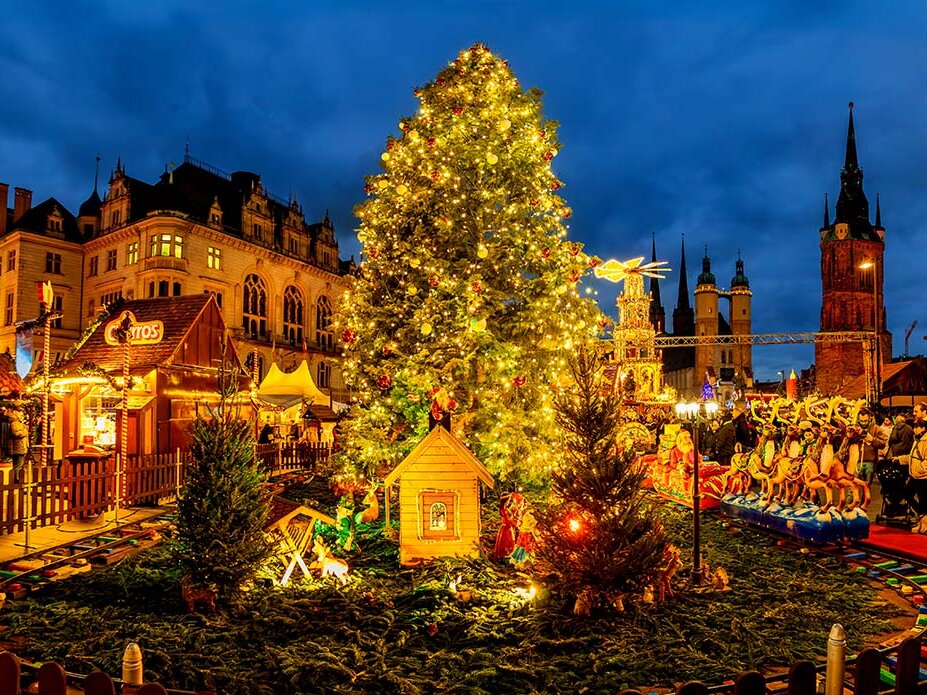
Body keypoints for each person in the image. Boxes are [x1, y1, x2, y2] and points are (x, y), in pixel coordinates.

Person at [894, 420, 927, 533]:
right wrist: (900, 459)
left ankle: (923, 521)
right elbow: (912, 456)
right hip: (915, 475)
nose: (914, 430)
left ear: (923, 428)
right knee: (907, 494)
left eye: (917, 427)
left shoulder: (925, 440)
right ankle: (923, 517)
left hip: (922, 476)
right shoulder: (917, 440)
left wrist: (920, 470)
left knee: (923, 499)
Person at [854, 408, 886, 484]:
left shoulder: (875, 428)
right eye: (861, 421)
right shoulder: (854, 428)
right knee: (854, 486)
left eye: (865, 421)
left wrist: (872, 440)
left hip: (870, 461)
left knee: (866, 486)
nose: (863, 423)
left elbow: (882, 444)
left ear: (869, 418)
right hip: (856, 460)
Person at [9, 410, 29, 484]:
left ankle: (17, 477)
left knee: (19, 464)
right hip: (18, 447)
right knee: (18, 464)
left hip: (20, 447)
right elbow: (16, 433)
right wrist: (24, 432)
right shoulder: (15, 424)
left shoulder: (18, 423)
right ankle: (16, 478)